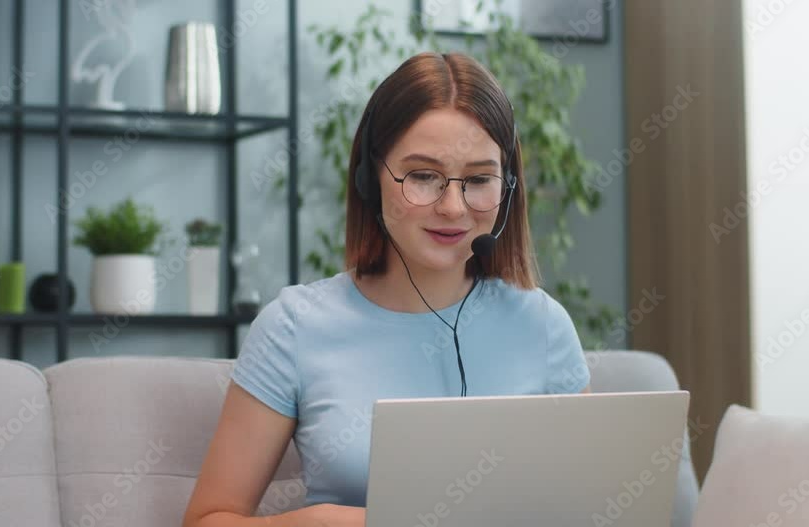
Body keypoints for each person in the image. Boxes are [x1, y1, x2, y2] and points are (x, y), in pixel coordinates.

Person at [181, 51, 591, 527]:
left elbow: (587, 507)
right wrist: (316, 523)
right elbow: (206, 520)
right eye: (422, 176)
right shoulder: (294, 327)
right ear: (369, 180)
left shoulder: (542, 325)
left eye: (479, 179)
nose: (454, 208)